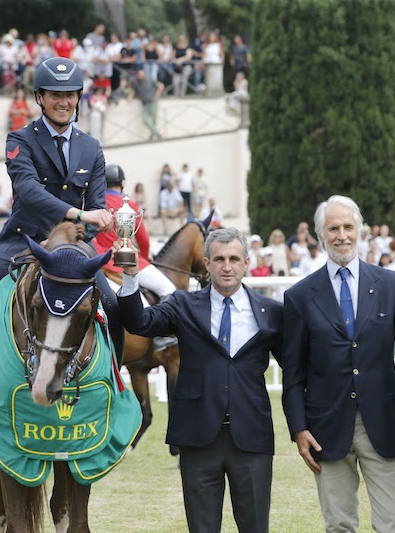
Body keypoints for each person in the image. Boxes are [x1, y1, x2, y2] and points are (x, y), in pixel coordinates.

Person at [0, 57, 115, 421]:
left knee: (115, 307)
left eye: (70, 94)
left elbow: (98, 209)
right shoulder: (19, 140)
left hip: (71, 252)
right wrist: (80, 215)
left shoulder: (92, 148)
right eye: (55, 94)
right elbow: (28, 192)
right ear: (39, 97)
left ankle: (115, 384)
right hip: (21, 245)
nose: (63, 101)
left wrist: (92, 224)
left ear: (79, 97)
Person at [116, 227, 283, 531]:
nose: (227, 266)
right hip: (197, 438)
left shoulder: (271, 312)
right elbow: (139, 322)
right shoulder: (183, 305)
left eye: (234, 258)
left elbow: (296, 369)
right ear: (206, 264)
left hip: (252, 439)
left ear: (246, 262)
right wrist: (130, 277)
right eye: (219, 259)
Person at [281, 195, 395, 533]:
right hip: (325, 428)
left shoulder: (392, 285)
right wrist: (298, 428)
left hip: (384, 421)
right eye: (333, 228)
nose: (342, 235)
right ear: (320, 235)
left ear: (360, 231)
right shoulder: (299, 296)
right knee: (339, 525)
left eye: (348, 227)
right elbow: (293, 371)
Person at [93, 163, 177, 351]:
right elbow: (144, 240)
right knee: (168, 288)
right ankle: (160, 337)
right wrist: (144, 259)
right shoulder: (129, 205)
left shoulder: (94, 204)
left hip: (100, 263)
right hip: (128, 260)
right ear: (122, 183)